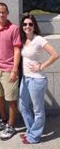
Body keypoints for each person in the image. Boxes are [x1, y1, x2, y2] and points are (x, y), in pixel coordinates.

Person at [18, 14, 59, 144]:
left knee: (38, 110)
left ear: (34, 26)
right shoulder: (23, 39)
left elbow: (55, 55)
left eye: (30, 24)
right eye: (25, 24)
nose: (27, 26)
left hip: (37, 80)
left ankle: (34, 137)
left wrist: (41, 66)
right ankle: (31, 130)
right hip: (25, 79)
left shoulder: (39, 39)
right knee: (22, 106)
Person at [0, 2, 21, 140]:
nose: (1, 14)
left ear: (8, 13)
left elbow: (17, 50)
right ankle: (3, 120)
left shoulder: (14, 28)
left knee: (11, 99)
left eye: (3, 12)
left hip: (10, 69)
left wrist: (14, 71)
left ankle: (11, 125)